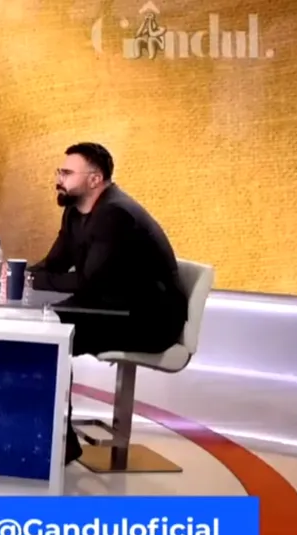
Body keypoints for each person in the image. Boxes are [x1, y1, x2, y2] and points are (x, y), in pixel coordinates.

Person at [29, 143, 187, 464]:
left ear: (95, 179)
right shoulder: (75, 210)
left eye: (67, 173)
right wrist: (20, 275)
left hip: (148, 318)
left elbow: (89, 282)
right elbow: (55, 265)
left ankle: (60, 442)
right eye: (60, 172)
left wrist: (35, 282)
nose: (58, 179)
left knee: (50, 335)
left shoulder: (115, 214)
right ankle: (54, 436)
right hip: (109, 306)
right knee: (43, 325)